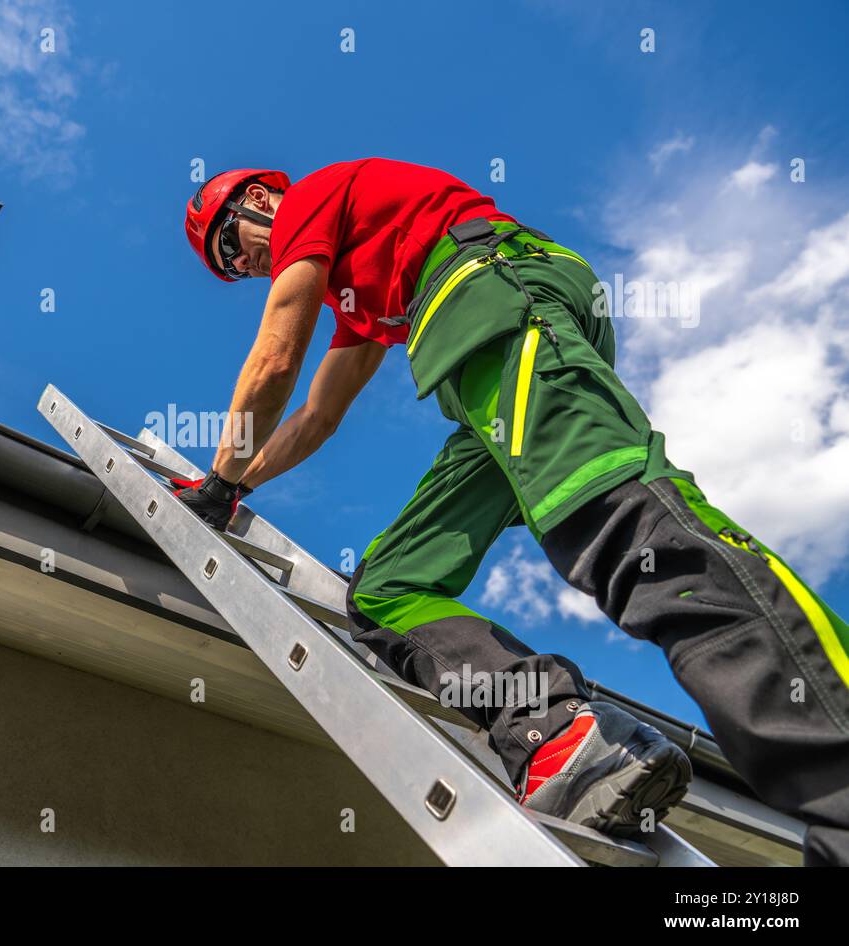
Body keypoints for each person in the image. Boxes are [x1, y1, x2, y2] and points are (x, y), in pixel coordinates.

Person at [174, 159, 849, 864]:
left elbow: (277, 357)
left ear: (258, 198)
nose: (248, 264)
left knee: (618, 522)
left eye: (233, 245)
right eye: (234, 268)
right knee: (386, 589)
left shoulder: (314, 198)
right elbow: (316, 415)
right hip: (482, 351)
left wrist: (215, 482)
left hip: (500, 297)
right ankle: (555, 732)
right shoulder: (360, 298)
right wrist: (240, 485)